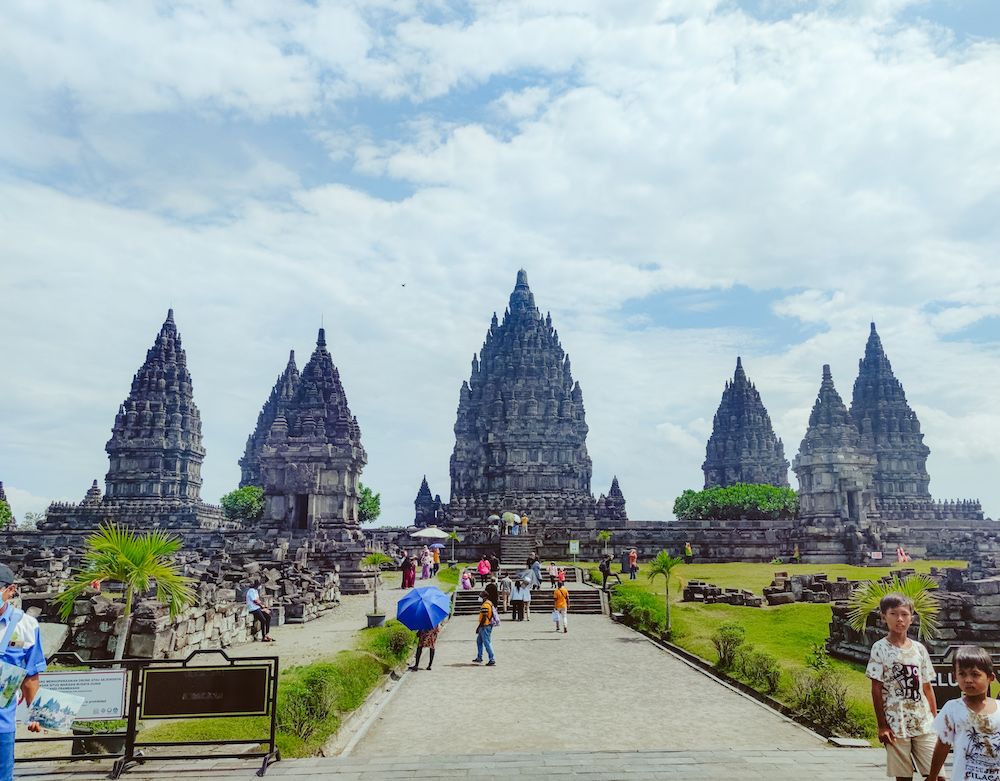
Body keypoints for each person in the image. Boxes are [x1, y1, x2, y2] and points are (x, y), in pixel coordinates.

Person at [866, 592, 939, 781]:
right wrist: (882, 725)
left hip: (923, 721)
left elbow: (927, 687)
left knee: (937, 775)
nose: (900, 619)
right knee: (903, 777)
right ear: (883, 617)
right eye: (894, 614)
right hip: (896, 723)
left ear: (911, 618)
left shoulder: (919, 649)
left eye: (905, 614)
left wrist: (935, 720)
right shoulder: (880, 648)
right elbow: (876, 689)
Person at [1, 563, 45, 781]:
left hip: (2, 723)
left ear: (10, 589)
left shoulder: (26, 625)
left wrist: (35, 712)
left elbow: (30, 674)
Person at [926, 645, 997, 781]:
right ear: (955, 677)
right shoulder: (952, 708)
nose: (968, 680)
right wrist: (933, 776)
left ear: (990, 678)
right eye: (962, 674)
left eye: (975, 674)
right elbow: (943, 745)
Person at [472, 591, 496, 666]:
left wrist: (479, 627)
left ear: (484, 597)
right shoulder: (489, 603)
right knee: (479, 641)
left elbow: (484, 617)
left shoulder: (485, 605)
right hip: (485, 625)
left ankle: (492, 659)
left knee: (487, 642)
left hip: (485, 626)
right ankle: (479, 657)